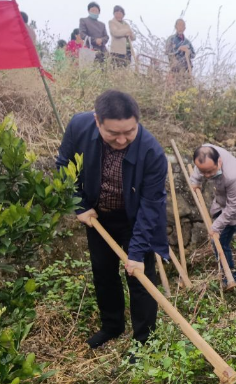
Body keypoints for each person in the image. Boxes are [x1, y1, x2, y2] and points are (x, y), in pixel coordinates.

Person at [55, 90, 169, 349]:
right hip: (97, 216)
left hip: (135, 219)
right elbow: (63, 165)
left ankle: (143, 342)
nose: (122, 139)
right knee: (103, 273)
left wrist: (136, 254)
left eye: (129, 132)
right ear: (97, 120)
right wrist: (79, 205)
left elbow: (151, 206)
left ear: (137, 121)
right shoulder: (79, 126)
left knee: (139, 277)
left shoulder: (151, 152)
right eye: (113, 133)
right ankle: (112, 326)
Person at [189, 145, 236, 299]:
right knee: (218, 242)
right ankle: (229, 277)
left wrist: (216, 226)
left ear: (219, 161)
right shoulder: (205, 154)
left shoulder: (233, 175)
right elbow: (199, 169)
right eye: (203, 172)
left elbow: (235, 206)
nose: (207, 176)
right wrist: (196, 180)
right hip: (223, 205)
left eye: (210, 171)